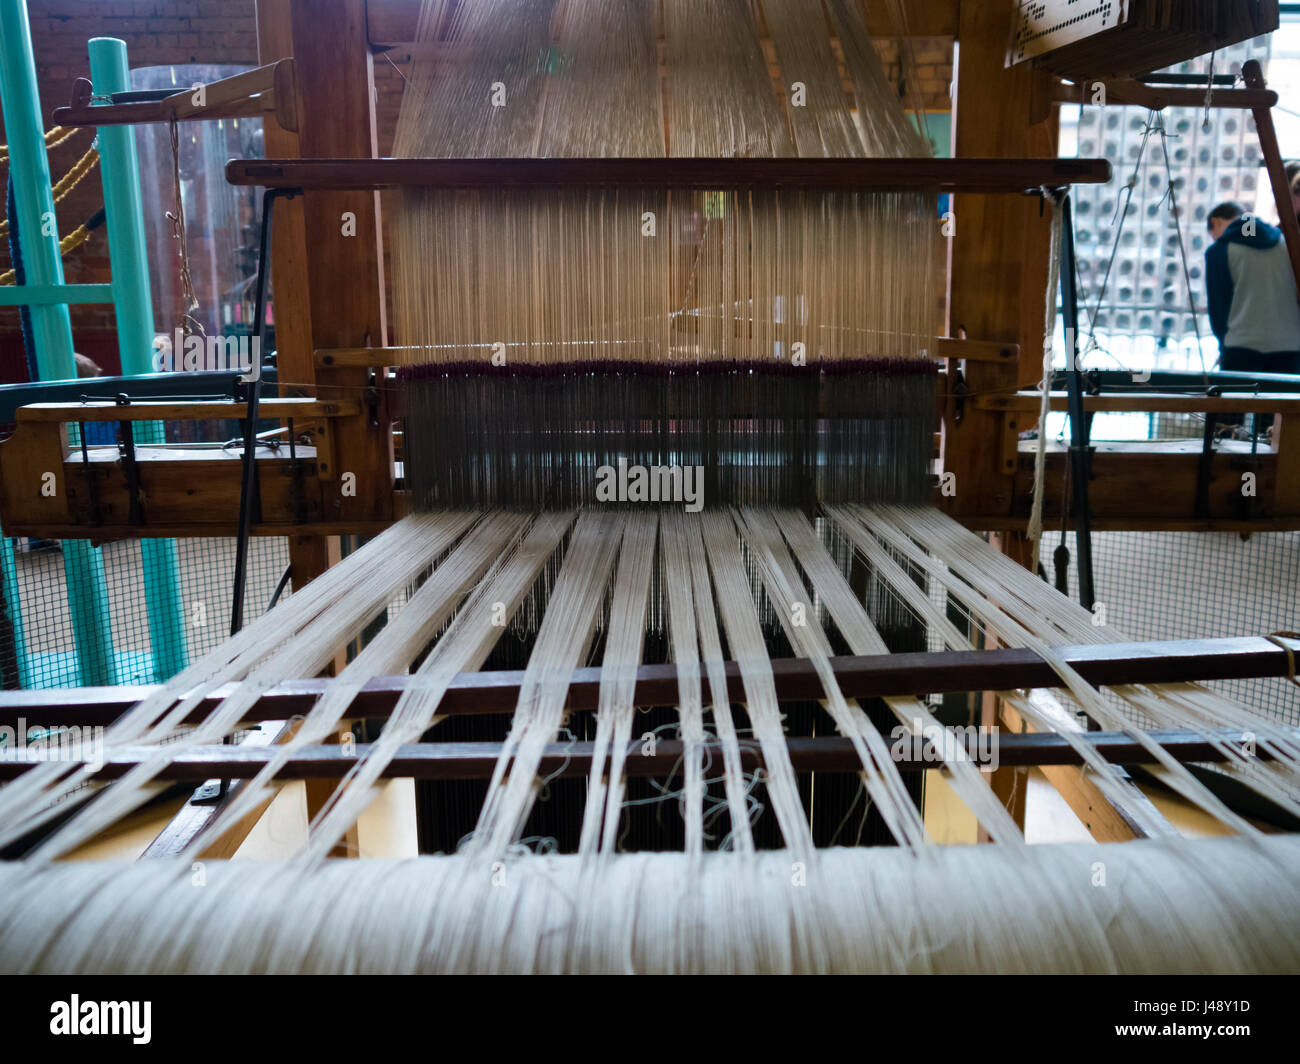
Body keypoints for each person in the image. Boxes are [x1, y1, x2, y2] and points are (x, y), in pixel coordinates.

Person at [1204, 201, 1300, 375]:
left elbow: (1218, 308)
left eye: (1213, 235)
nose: (1216, 239)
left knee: (1238, 402)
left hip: (1241, 348)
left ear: (1217, 221)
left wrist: (1223, 345)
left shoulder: (1218, 251)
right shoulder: (1287, 243)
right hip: (1290, 347)